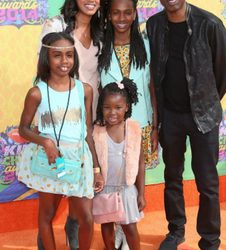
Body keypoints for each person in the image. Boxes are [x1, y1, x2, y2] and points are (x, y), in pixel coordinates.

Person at [146, 1, 226, 250]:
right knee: (171, 176)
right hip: (170, 116)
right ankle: (175, 231)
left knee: (207, 183)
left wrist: (205, 100)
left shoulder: (210, 24)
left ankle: (209, 240)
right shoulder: (154, 25)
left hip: (203, 117)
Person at [17, 32, 104, 250]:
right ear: (47, 58)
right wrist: (45, 142)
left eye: (69, 55)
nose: (64, 62)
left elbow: (87, 131)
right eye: (57, 56)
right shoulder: (37, 93)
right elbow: (23, 129)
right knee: (46, 215)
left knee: (86, 218)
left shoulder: (84, 90)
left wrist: (96, 168)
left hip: (78, 158)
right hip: (51, 160)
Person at [39, 1, 104, 248]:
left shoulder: (101, 30)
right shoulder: (56, 25)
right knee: (52, 193)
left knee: (79, 190)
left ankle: (72, 233)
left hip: (85, 125)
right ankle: (45, 243)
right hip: (58, 124)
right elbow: (45, 71)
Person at [99, 0, 158, 247]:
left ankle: (125, 227)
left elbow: (152, 85)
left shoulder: (145, 44)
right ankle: (114, 225)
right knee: (111, 177)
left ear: (135, 14)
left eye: (127, 12)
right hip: (110, 126)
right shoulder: (100, 45)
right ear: (109, 15)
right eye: (115, 13)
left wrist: (155, 125)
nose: (121, 18)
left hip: (139, 123)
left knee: (132, 178)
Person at [93, 78, 146, 250]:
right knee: (106, 226)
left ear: (127, 107)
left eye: (118, 107)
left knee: (130, 228)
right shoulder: (97, 131)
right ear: (101, 107)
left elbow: (141, 164)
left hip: (127, 189)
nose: (112, 112)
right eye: (107, 107)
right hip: (105, 188)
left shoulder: (134, 129)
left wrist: (141, 194)